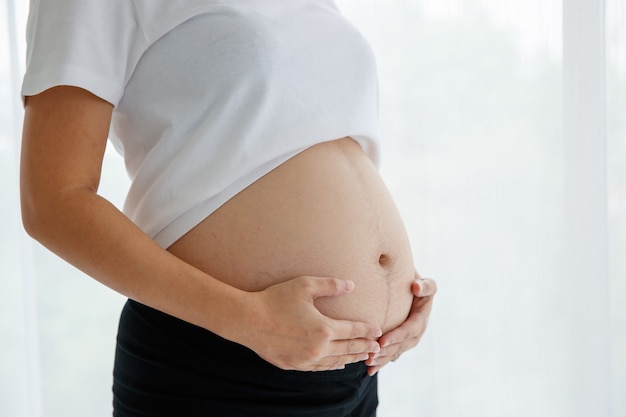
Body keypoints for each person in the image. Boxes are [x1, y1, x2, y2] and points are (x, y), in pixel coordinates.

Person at [19, 0, 437, 416]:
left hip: (355, 373)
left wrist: (399, 289)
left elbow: (303, 138)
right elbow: (53, 202)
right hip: (218, 365)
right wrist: (250, 320)